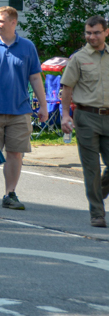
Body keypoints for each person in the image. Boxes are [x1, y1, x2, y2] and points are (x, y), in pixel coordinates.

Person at [0, 6, 47, 211]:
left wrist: (43, 105)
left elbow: (35, 77)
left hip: (20, 110)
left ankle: (10, 193)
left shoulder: (27, 47)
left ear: (13, 23)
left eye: (1, 21)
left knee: (15, 153)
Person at [60, 15, 109, 228]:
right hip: (86, 117)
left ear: (106, 32)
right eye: (88, 33)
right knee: (91, 168)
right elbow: (67, 88)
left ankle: (99, 190)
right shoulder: (78, 58)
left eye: (96, 32)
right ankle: (97, 213)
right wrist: (65, 115)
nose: (92, 37)